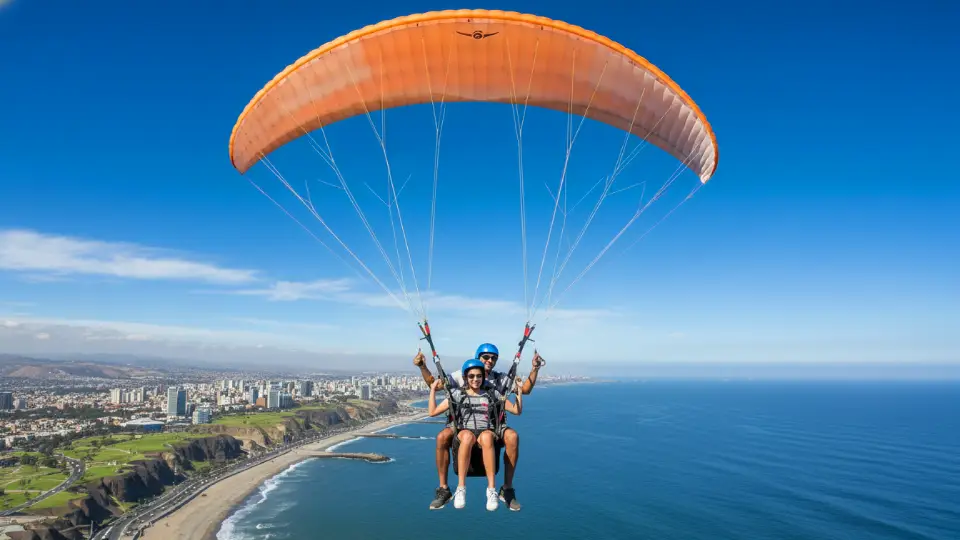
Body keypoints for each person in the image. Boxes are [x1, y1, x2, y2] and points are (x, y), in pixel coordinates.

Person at [413, 342, 545, 511]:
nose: (490, 361)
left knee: (512, 437)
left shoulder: (500, 379)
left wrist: (535, 369)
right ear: (477, 358)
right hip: (462, 422)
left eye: (494, 358)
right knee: (442, 437)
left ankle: (507, 489)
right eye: (486, 357)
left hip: (493, 423)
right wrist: (423, 366)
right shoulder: (462, 375)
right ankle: (443, 490)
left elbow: (524, 390)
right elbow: (436, 384)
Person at [428, 358, 522, 510]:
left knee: (486, 436)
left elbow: (516, 410)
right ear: (465, 378)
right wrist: (432, 390)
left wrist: (518, 393)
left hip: (486, 431)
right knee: (466, 436)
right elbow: (432, 412)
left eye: (479, 376)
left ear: (483, 377)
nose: (475, 379)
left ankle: (491, 490)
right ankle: (460, 488)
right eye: (471, 376)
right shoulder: (457, 394)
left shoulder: (493, 394)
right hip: (465, 431)